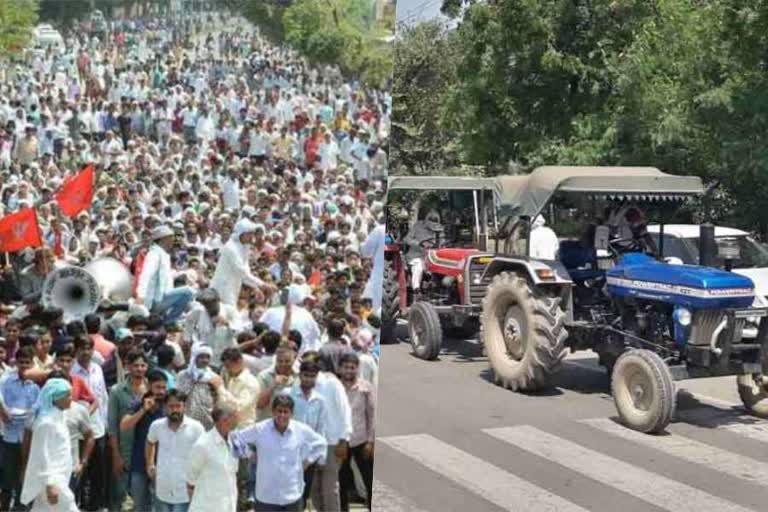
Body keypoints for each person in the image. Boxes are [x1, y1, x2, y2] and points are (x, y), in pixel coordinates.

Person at [229, 394, 326, 512]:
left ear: (292, 413)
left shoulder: (300, 430)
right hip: (266, 498)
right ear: (272, 412)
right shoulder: (260, 429)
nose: (282, 415)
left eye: (286, 412)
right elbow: (235, 438)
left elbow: (321, 443)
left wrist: (308, 461)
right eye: (279, 411)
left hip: (292, 496)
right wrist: (249, 454)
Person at [20, 378, 78, 512]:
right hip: (53, 479)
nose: (71, 398)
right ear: (55, 398)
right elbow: (43, 454)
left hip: (61, 476)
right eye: (67, 395)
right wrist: (50, 483)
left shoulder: (59, 416)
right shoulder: (46, 423)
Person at [146, 389, 205, 512]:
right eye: (171, 406)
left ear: (184, 406)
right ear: (165, 407)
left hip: (185, 491)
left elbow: (204, 454)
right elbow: (150, 442)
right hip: (163, 488)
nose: (175, 410)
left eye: (178, 406)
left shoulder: (196, 428)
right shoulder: (156, 426)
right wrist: (150, 464)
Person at [118, 369, 168, 512]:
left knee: (160, 506)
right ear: (148, 385)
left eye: (164, 387)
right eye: (158, 387)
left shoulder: (168, 405)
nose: (161, 391)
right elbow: (124, 426)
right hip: (139, 463)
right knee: (139, 504)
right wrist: (143, 410)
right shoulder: (138, 403)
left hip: (162, 464)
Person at [0, 346, 40, 511]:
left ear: (32, 364)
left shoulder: (36, 385)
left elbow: (38, 409)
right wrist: (4, 413)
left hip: (28, 437)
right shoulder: (6, 381)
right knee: (7, 476)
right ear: (16, 363)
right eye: (21, 362)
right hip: (9, 435)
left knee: (24, 475)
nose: (24, 366)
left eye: (27, 363)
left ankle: (21, 506)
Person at [337, 353, 375, 511]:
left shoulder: (365, 388)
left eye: (352, 368)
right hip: (341, 444)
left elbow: (372, 416)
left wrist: (370, 442)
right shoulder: (335, 388)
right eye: (346, 367)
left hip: (361, 442)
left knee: (370, 480)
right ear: (340, 369)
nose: (349, 371)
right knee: (342, 483)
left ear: (357, 369)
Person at [135, 225, 194, 325]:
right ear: (163, 239)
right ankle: (168, 322)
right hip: (155, 298)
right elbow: (146, 275)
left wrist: (179, 275)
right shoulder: (154, 254)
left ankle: (165, 321)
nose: (173, 240)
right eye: (171, 237)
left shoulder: (163, 254)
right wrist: (140, 295)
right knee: (188, 292)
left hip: (163, 295)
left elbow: (165, 276)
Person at [210, 219, 275, 306]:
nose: (252, 236)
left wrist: (255, 288)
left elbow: (246, 273)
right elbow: (242, 273)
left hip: (233, 288)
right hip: (223, 289)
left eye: (252, 233)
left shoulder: (244, 248)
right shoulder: (231, 248)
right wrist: (263, 285)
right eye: (249, 233)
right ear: (242, 234)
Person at [186, 404, 239, 512]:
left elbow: (233, 472)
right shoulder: (203, 445)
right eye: (234, 417)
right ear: (224, 420)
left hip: (229, 505)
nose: (237, 420)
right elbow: (190, 479)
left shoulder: (234, 440)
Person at [403, 209, 444, 297]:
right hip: (416, 255)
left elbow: (442, 242)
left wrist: (439, 245)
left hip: (434, 257)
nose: (433, 221)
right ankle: (416, 291)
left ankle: (440, 291)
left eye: (435, 220)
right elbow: (406, 239)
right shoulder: (417, 226)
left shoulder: (439, 230)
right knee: (419, 266)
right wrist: (419, 244)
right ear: (426, 220)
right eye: (431, 220)